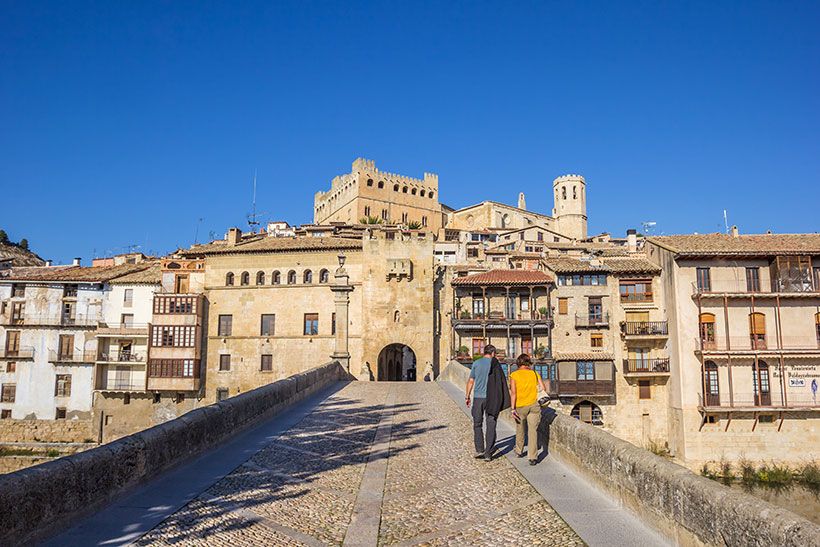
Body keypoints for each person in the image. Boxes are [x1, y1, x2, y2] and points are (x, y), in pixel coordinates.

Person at [509, 353, 547, 465]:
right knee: (533, 431)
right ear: (528, 363)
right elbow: (543, 388)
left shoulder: (514, 375)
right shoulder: (535, 374)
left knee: (520, 429)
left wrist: (512, 408)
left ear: (518, 363)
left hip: (520, 406)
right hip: (534, 405)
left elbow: (513, 394)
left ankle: (519, 450)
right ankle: (532, 457)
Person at [465, 344, 499, 461]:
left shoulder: (476, 363)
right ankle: (488, 453)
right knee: (491, 423)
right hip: (492, 398)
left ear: (484, 352)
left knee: (477, 424)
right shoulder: (495, 364)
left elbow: (470, 381)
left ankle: (480, 449)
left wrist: (467, 396)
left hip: (478, 398)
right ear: (493, 353)